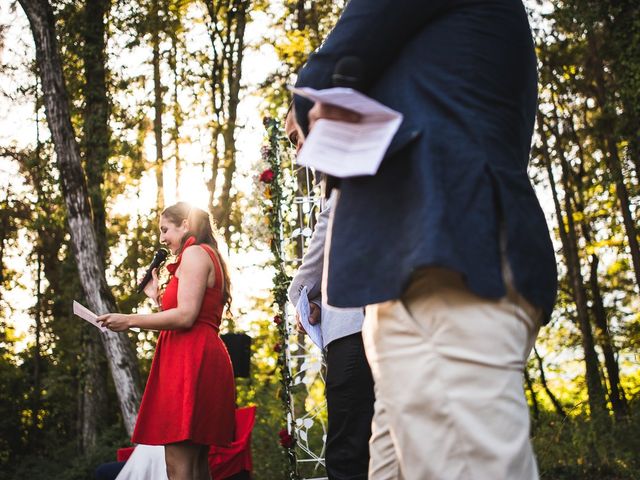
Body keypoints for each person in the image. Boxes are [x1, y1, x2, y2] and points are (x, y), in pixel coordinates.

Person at [291, 1, 558, 479]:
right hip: (417, 265)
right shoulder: (445, 53)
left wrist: (312, 99)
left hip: (446, 261)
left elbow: (329, 68)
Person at [98, 202, 236, 480]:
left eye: (165, 229)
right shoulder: (206, 255)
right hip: (196, 355)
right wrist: (157, 296)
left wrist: (129, 320)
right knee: (196, 465)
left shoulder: (195, 254)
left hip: (191, 358)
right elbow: (188, 309)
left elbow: (186, 317)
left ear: (186, 224)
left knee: (178, 464)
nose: (161, 238)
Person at [285, 108, 375, 480]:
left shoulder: (346, 177)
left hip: (354, 328)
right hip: (367, 323)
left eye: (295, 138)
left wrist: (300, 297)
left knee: (346, 449)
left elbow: (326, 239)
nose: (296, 152)